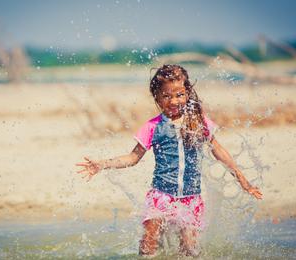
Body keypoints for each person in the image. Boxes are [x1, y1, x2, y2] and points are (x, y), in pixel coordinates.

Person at [76, 64, 262, 257]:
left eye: (179, 95)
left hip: (191, 199)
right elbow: (133, 158)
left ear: (187, 93)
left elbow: (218, 150)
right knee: (149, 241)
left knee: (189, 250)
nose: (174, 101)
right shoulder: (153, 126)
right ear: (157, 97)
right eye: (166, 96)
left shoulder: (199, 122)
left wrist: (241, 178)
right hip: (161, 196)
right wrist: (103, 164)